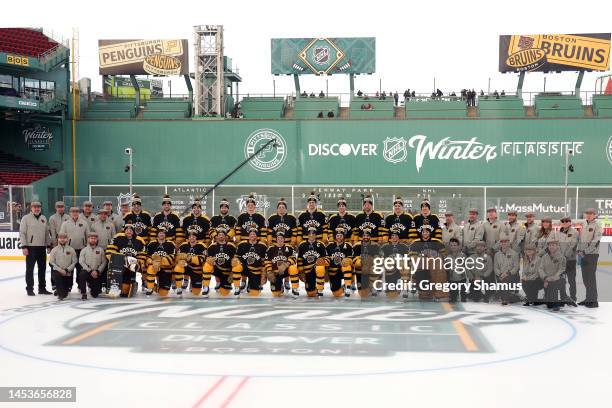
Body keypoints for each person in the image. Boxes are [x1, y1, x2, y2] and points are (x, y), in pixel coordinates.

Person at [19, 200, 52, 296]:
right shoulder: (26, 218)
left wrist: (48, 245)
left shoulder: (43, 218)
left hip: (41, 248)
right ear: (31, 208)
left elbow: (46, 233)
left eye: (38, 207)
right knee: (30, 269)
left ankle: (42, 288)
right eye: (35, 207)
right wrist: (24, 246)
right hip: (30, 248)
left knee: (42, 269)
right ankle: (29, 289)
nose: (37, 209)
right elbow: (22, 233)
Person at [105, 223, 147, 297]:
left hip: (132, 264)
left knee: (125, 291)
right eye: (127, 230)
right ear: (124, 231)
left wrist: (139, 263)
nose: (129, 232)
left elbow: (142, 254)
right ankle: (114, 286)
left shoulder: (139, 240)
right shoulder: (118, 237)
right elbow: (110, 250)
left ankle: (132, 284)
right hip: (120, 263)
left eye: (131, 230)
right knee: (115, 271)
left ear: (133, 231)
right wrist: (116, 259)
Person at [409, 223, 447, 300]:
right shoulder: (415, 243)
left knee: (439, 269)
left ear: (430, 233)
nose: (425, 233)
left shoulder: (437, 242)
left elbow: (444, 255)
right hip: (422, 266)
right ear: (421, 233)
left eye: (427, 232)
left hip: (434, 266)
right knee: (424, 296)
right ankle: (423, 290)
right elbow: (412, 257)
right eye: (423, 232)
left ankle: (438, 291)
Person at [203, 228, 241, 297]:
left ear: (225, 236)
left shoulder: (231, 246)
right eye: (219, 235)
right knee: (207, 265)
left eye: (222, 235)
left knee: (224, 293)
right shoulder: (212, 246)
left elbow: (236, 258)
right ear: (216, 237)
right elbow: (208, 258)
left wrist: (233, 272)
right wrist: (209, 260)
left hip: (227, 271)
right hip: (217, 270)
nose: (221, 236)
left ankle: (235, 287)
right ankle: (206, 287)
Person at [60, 207, 88, 293]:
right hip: (69, 250)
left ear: (79, 213)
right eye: (73, 212)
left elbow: (87, 236)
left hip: (81, 249)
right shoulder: (65, 224)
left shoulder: (84, 223)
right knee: (69, 269)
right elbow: (62, 236)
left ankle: (80, 285)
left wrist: (86, 247)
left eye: (76, 212)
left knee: (80, 269)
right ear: (70, 213)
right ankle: (69, 286)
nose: (75, 213)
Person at [577, 208, 602, 308]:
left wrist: (585, 251)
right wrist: (579, 250)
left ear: (595, 215)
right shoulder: (584, 224)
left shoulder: (597, 225)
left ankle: (593, 301)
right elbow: (581, 239)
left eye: (591, 214)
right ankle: (588, 299)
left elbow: (596, 241)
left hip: (592, 255)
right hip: (583, 255)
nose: (589, 215)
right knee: (585, 278)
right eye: (587, 213)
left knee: (590, 278)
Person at [265, 231, 299, 297]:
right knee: (276, 294)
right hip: (275, 272)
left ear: (284, 239)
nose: (280, 240)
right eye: (278, 238)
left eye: (281, 238)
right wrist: (269, 271)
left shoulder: (289, 248)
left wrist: (286, 264)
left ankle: (295, 289)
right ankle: (280, 286)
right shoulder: (271, 248)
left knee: (293, 268)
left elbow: (294, 258)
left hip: (286, 271)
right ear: (276, 239)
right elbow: (267, 261)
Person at [145, 227, 177, 297]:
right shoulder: (152, 244)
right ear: (157, 234)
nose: (161, 234)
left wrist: (159, 261)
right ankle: (150, 287)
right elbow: (147, 257)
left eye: (163, 233)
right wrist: (152, 262)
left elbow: (172, 258)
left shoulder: (171, 244)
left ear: (165, 234)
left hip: (166, 269)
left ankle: (156, 286)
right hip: (154, 267)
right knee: (150, 268)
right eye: (160, 233)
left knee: (163, 293)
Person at [236, 228, 269, 296]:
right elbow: (236, 257)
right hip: (245, 268)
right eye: (251, 234)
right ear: (248, 235)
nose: (252, 235)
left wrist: (263, 273)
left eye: (254, 234)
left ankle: (251, 284)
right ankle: (238, 285)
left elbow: (264, 260)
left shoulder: (262, 245)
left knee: (255, 293)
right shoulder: (242, 244)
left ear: (257, 236)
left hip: (256, 270)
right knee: (236, 267)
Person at [175, 227, 207, 296]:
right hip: (186, 267)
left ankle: (194, 282)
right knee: (178, 267)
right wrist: (180, 260)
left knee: (196, 292)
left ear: (196, 238)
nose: (191, 238)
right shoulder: (183, 245)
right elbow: (177, 256)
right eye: (190, 236)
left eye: (193, 236)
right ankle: (179, 287)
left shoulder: (201, 245)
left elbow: (202, 259)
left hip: (196, 269)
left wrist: (190, 259)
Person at [297, 227, 328, 297]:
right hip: (307, 271)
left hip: (317, 269)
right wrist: (301, 272)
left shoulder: (321, 244)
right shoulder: (302, 245)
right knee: (310, 293)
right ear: (307, 235)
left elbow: (326, 258)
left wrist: (325, 270)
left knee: (320, 268)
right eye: (310, 233)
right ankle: (314, 288)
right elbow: (299, 259)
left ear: (315, 235)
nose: (311, 235)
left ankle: (320, 289)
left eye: (313, 233)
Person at [380, 228, 410, 299]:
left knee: (405, 266)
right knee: (391, 294)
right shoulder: (385, 246)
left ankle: (404, 288)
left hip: (401, 267)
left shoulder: (404, 246)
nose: (394, 237)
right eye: (392, 236)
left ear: (398, 237)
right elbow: (381, 256)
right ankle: (391, 286)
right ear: (390, 238)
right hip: (390, 267)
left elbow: (408, 257)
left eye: (396, 236)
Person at [538, 237, 566, 311]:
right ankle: (549, 299)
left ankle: (556, 303)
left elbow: (561, 269)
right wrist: (545, 278)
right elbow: (540, 269)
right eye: (550, 245)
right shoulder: (544, 257)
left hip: (558, 279)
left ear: (557, 246)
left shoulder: (561, 257)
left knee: (553, 284)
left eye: (553, 245)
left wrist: (554, 277)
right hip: (546, 279)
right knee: (549, 305)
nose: (551, 247)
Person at [326, 227, 354, 297]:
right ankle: (344, 287)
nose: (339, 237)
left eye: (341, 236)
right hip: (333, 271)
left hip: (343, 270)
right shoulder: (329, 246)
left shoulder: (348, 245)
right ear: (335, 236)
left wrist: (347, 260)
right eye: (337, 236)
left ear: (343, 236)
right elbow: (326, 258)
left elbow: (351, 259)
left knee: (346, 264)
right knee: (336, 294)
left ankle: (348, 285)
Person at [353, 229, 382, 297]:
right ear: (362, 237)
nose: (366, 237)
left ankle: (375, 285)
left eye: (367, 235)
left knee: (377, 264)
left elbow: (378, 257)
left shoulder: (375, 245)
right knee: (363, 294)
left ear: (370, 237)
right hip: (361, 268)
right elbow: (354, 258)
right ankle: (358, 284)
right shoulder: (356, 245)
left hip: (371, 266)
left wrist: (370, 259)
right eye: (364, 235)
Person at [78, 232, 107, 300]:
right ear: (88, 239)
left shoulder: (101, 250)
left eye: (95, 238)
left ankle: (92, 286)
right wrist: (90, 270)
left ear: (97, 240)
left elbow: (104, 262)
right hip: (87, 272)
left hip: (96, 273)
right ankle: (83, 293)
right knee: (82, 274)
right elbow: (81, 262)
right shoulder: (84, 250)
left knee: (95, 294)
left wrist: (98, 271)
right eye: (91, 238)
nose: (93, 240)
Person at [48, 232, 77, 300]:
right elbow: (52, 262)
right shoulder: (54, 250)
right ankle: (59, 293)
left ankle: (65, 289)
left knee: (66, 292)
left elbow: (74, 261)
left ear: (67, 239)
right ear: (58, 239)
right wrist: (60, 270)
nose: (62, 240)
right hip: (58, 272)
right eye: (60, 238)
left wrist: (67, 270)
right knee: (62, 294)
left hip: (68, 272)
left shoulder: (71, 250)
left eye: (64, 238)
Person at [48, 201, 69, 294]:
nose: (60, 208)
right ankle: (55, 285)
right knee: (54, 266)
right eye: (58, 207)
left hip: (66, 245)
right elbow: (52, 233)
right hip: (56, 245)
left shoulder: (68, 217)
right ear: (56, 208)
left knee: (65, 265)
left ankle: (65, 285)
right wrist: (54, 245)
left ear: (64, 207)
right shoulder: (52, 218)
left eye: (62, 207)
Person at [494, 234, 520, 305]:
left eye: (506, 241)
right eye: (502, 242)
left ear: (509, 242)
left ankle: (505, 298)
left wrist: (507, 274)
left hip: (511, 276)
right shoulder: (497, 255)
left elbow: (516, 267)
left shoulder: (514, 254)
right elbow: (495, 268)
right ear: (500, 243)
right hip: (500, 276)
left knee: (508, 292)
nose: (504, 243)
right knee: (503, 284)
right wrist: (500, 274)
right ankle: (505, 297)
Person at [558, 216, 578, 305]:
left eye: (567, 221)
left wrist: (565, 256)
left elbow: (572, 245)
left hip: (570, 260)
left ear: (570, 222)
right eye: (563, 221)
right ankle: (563, 297)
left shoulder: (575, 232)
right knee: (562, 280)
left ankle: (573, 298)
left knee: (571, 280)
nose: (565, 222)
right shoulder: (559, 232)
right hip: (561, 260)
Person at [446, 238, 467, 303]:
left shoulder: (463, 255)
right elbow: (446, 269)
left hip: (462, 278)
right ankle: (453, 295)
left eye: (455, 245)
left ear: (458, 246)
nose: (453, 247)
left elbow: (467, 267)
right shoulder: (447, 256)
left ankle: (463, 296)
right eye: (451, 245)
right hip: (452, 279)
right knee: (453, 299)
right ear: (449, 246)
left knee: (463, 299)